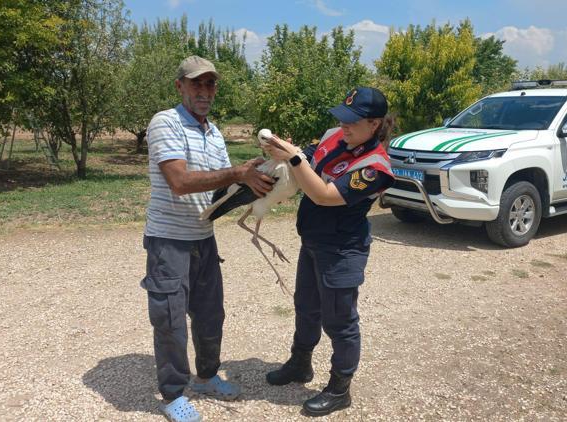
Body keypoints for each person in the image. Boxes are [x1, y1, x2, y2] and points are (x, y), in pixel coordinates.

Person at [141, 55, 273, 422]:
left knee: (211, 314)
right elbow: (180, 182)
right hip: (168, 240)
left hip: (203, 237)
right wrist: (237, 173)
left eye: (210, 83)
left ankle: (206, 376)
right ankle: (171, 395)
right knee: (169, 319)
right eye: (196, 83)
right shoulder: (165, 123)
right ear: (179, 86)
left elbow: (224, 184)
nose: (204, 90)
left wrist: (267, 171)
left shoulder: (213, 132)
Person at [261, 86, 396, 416]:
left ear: (375, 124)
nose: (343, 126)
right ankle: (300, 363)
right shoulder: (335, 136)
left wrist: (293, 158)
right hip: (313, 242)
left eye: (352, 122)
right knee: (306, 306)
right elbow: (306, 160)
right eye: (342, 118)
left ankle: (339, 388)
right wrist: (280, 152)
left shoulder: (375, 168)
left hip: (341, 250)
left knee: (340, 321)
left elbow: (322, 194)